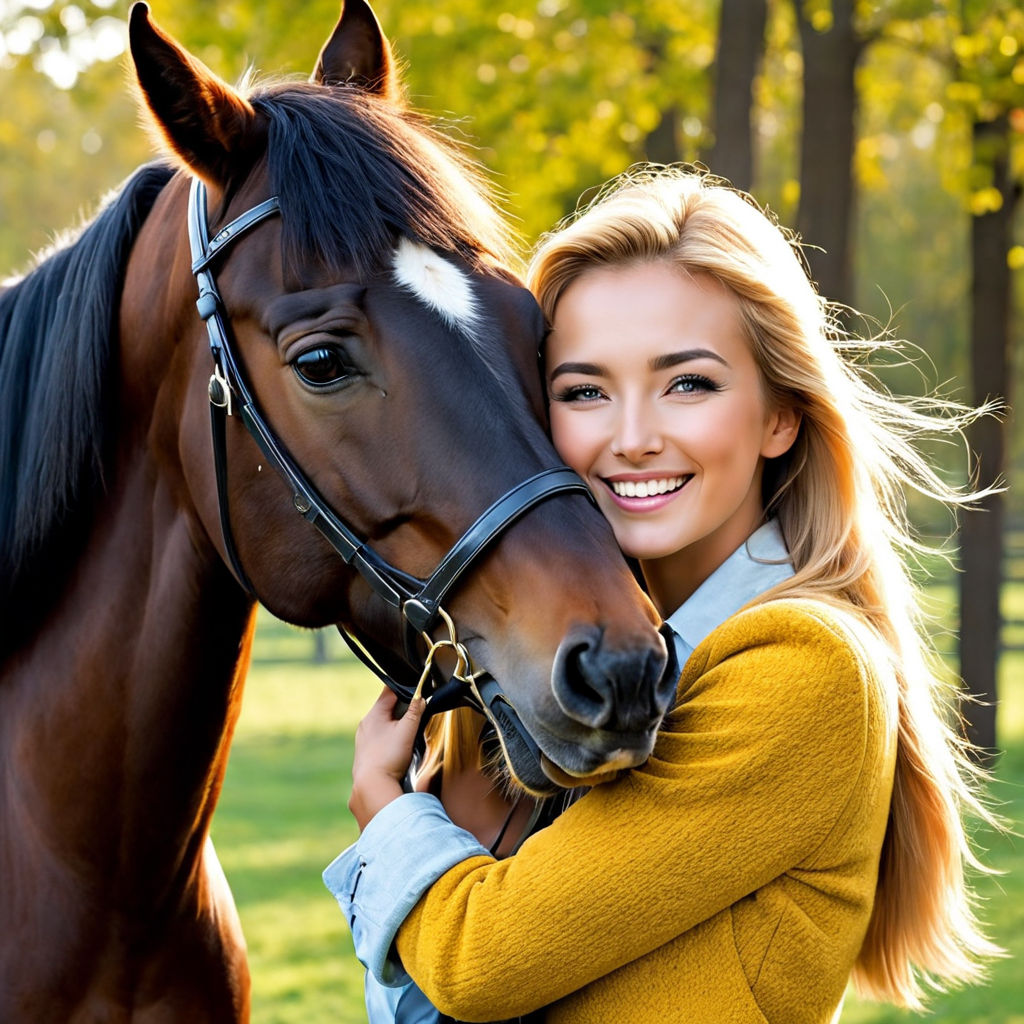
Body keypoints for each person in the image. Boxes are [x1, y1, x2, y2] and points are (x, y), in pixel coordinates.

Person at [323, 165, 1001, 1023]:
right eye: (584, 391)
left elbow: (479, 962)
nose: (633, 438)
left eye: (689, 383)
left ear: (779, 416)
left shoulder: (808, 671)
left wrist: (385, 815)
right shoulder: (572, 677)